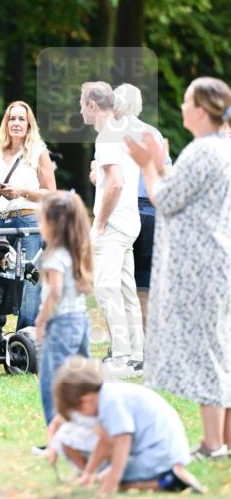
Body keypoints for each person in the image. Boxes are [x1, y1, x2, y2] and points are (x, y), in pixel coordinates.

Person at [125, 76, 231, 461]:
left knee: (208, 352)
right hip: (220, 262)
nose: (182, 107)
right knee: (221, 348)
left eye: (187, 101)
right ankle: (225, 441)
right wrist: (158, 165)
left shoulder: (201, 151)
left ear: (201, 110)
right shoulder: (224, 148)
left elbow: (165, 200)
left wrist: (146, 165)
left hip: (201, 266)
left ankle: (212, 444)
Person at [51, 356, 203, 494]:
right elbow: (104, 441)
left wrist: (113, 479)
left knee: (107, 477)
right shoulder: (109, 394)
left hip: (158, 455)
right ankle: (165, 476)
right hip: (161, 452)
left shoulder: (112, 402)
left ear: (85, 402)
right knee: (103, 474)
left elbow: (122, 441)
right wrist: (89, 473)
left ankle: (166, 482)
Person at [80, 81, 144, 372]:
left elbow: (116, 184)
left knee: (106, 289)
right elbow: (115, 179)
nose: (80, 110)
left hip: (115, 225)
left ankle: (120, 357)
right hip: (131, 221)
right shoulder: (122, 134)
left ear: (92, 106)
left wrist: (101, 222)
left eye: (82, 104)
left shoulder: (106, 137)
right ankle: (137, 356)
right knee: (126, 290)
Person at [0, 100, 56, 328]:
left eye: (21, 119)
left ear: (29, 124)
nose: (16, 123)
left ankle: (24, 342)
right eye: (11, 118)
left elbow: (51, 194)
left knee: (30, 280)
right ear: (6, 123)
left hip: (29, 223)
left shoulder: (38, 153)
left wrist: (21, 192)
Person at [112, 83, 172, 331]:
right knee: (144, 280)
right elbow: (166, 173)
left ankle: (124, 344)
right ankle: (147, 344)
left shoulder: (109, 135)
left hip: (121, 213)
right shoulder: (152, 134)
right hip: (150, 214)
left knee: (117, 281)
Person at [34, 191, 93, 426]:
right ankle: (85, 428)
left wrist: (41, 320)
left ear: (55, 224)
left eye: (41, 221)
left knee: (52, 381)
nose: (38, 226)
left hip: (61, 325)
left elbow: (55, 293)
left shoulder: (54, 256)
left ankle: (57, 435)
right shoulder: (75, 251)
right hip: (81, 320)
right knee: (81, 378)